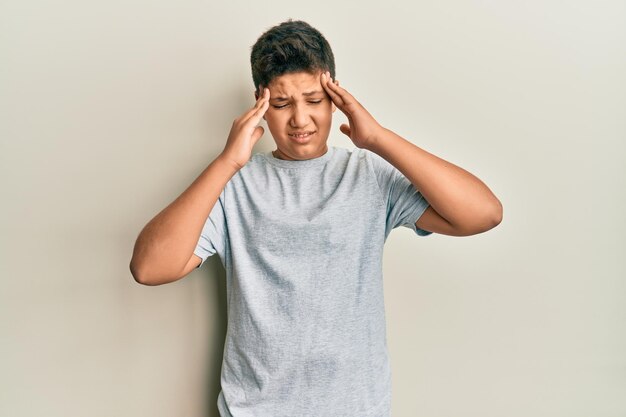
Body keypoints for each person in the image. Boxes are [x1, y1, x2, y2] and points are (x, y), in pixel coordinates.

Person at [130, 19, 502, 417]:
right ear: (260, 102)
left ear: (335, 97)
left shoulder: (368, 176)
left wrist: (377, 138)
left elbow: (483, 214)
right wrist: (226, 162)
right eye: (281, 104)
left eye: (314, 100)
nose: (300, 120)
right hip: (254, 409)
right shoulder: (234, 186)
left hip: (356, 408)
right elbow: (150, 268)